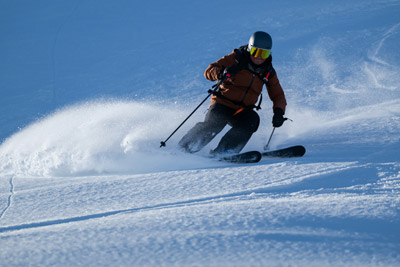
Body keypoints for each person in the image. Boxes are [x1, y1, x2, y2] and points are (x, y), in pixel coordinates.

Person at [179, 31, 287, 155]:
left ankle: (225, 150)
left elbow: (278, 95)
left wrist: (279, 112)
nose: (259, 57)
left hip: (242, 110)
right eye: (256, 52)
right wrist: (222, 72)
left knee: (252, 120)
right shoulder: (236, 58)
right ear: (250, 49)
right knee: (215, 123)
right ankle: (185, 147)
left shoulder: (268, 71)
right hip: (222, 103)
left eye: (264, 53)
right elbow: (209, 71)